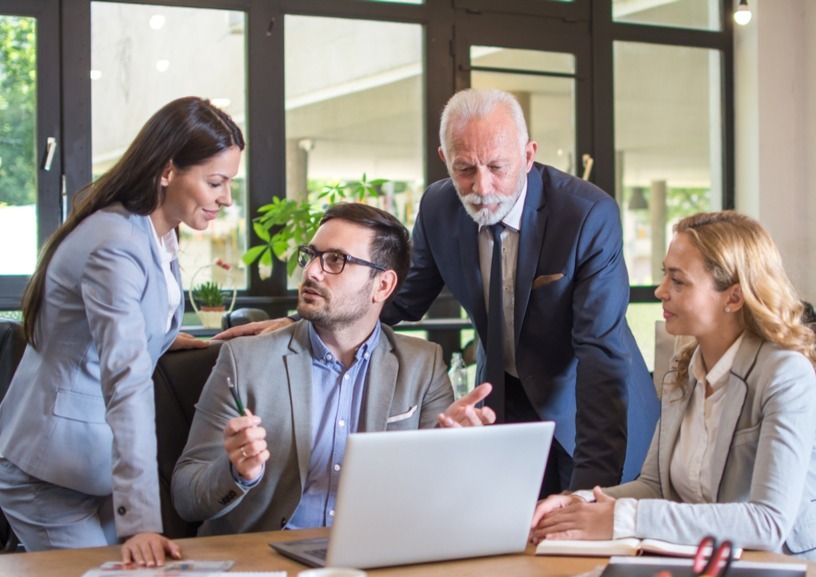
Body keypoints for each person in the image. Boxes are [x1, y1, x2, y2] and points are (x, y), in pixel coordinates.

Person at [214, 89, 660, 497]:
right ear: (445, 158)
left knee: (577, 541)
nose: (481, 188)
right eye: (464, 169)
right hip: (505, 402)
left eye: (498, 168)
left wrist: (586, 494)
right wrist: (304, 321)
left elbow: (600, 354)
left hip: (593, 403)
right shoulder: (439, 205)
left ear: (528, 155)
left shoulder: (586, 214)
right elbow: (401, 299)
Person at [0, 97, 244, 565]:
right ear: (168, 170)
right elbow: (127, 380)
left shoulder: (156, 233)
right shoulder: (114, 243)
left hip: (96, 464)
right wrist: (143, 525)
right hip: (49, 469)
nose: (226, 198)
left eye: (229, 182)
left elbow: (124, 323)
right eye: (215, 182)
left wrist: (185, 339)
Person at [172, 202, 494, 535]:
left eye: (336, 260)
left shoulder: (422, 366)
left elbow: (432, 498)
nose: (311, 271)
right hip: (264, 560)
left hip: (372, 559)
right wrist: (238, 473)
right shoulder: (244, 361)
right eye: (311, 255)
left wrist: (452, 455)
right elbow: (186, 497)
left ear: (382, 286)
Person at [530, 211, 816, 559]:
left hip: (779, 574)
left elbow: (768, 523)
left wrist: (624, 518)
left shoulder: (786, 375)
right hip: (700, 567)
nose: (660, 291)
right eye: (666, 275)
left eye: (678, 281)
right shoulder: (684, 369)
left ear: (734, 297)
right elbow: (655, 485)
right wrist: (579, 501)